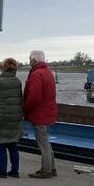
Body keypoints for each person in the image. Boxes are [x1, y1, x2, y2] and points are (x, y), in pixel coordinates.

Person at [0, 57, 23, 178]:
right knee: (12, 143)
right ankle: (15, 171)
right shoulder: (18, 82)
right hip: (14, 117)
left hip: (0, 117)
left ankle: (2, 171)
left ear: (3, 68)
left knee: (0, 143)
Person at [23, 49, 58, 178]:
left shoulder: (36, 74)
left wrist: (25, 108)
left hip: (39, 113)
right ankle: (52, 168)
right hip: (48, 111)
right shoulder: (48, 73)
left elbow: (34, 97)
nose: (29, 61)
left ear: (34, 60)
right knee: (46, 141)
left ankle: (46, 170)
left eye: (29, 58)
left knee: (42, 143)